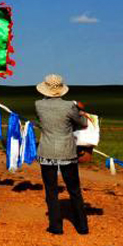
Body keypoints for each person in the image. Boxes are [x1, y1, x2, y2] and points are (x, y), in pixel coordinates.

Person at [35, 74, 89, 235]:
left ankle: (56, 226)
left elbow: (42, 122)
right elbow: (83, 124)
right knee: (74, 190)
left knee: (51, 191)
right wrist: (81, 113)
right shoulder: (69, 107)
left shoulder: (38, 105)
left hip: (47, 151)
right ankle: (82, 226)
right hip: (67, 152)